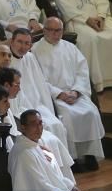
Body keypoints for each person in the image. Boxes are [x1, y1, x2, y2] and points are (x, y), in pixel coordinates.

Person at [32, 17, 106, 169]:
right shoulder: (35, 50)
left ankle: (89, 155)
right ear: (44, 30)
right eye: (50, 30)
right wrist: (60, 94)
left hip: (75, 94)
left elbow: (82, 72)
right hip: (55, 97)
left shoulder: (70, 47)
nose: (54, 34)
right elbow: (38, 79)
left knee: (91, 112)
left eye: (58, 30)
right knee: (68, 117)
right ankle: (74, 159)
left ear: (62, 31)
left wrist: (76, 92)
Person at [0, 70, 76, 181]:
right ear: (7, 85)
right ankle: (59, 182)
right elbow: (12, 137)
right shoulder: (1, 107)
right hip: (20, 147)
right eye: (17, 85)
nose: (19, 88)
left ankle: (62, 182)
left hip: (22, 142)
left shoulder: (5, 101)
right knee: (47, 144)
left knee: (52, 139)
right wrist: (35, 147)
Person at [8, 28, 72, 158]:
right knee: (46, 126)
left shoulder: (30, 57)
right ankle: (45, 162)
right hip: (19, 107)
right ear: (12, 41)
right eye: (20, 42)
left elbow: (40, 85)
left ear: (30, 45)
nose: (23, 47)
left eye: (27, 43)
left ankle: (61, 165)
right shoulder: (6, 59)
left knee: (57, 125)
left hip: (36, 105)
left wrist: (47, 108)